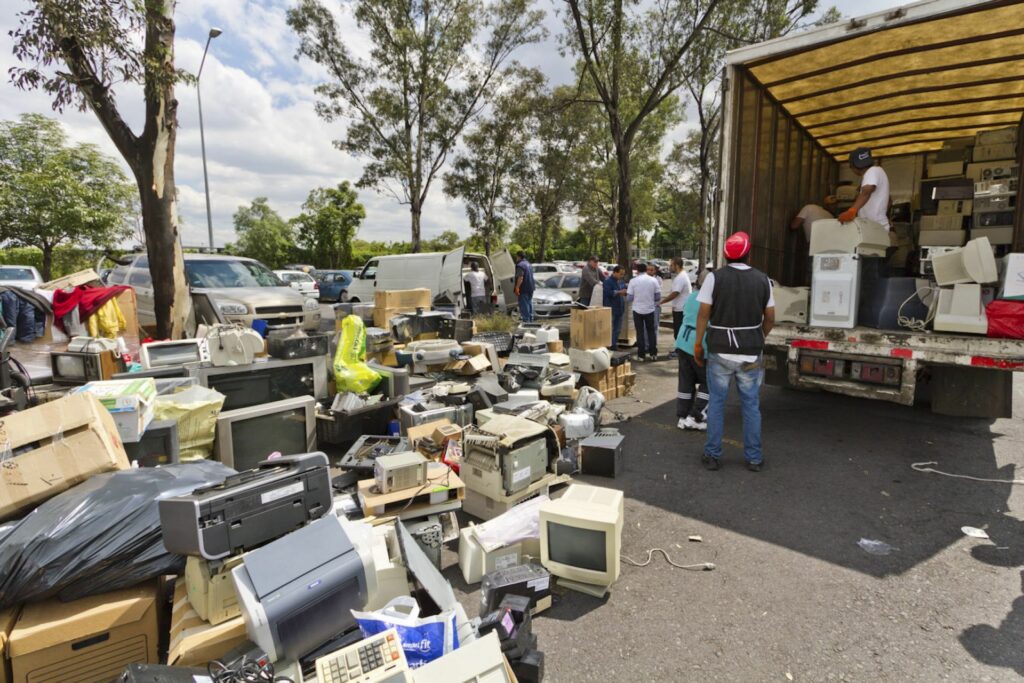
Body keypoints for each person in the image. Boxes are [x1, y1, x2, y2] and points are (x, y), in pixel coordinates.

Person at [694, 231, 775, 472]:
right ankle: (754, 458)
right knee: (751, 405)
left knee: (717, 404)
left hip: (720, 352)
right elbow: (770, 319)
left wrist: (698, 343)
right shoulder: (763, 280)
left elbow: (703, 314)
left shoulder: (714, 278)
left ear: (725, 255)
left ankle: (713, 455)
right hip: (751, 353)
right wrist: (758, 337)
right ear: (748, 254)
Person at [674, 288, 707, 431]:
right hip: (700, 342)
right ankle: (696, 416)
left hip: (683, 340)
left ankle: (683, 416)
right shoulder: (712, 299)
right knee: (709, 381)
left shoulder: (692, 295)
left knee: (686, 380)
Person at [838, 147, 890, 230]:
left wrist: (852, 211)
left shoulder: (872, 171)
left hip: (875, 227)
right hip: (874, 226)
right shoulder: (876, 172)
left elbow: (866, 192)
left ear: (853, 165)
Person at [627, 261, 661, 361]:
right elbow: (657, 296)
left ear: (637, 270)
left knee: (640, 332)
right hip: (650, 309)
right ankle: (653, 354)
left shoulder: (633, 281)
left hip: (637, 310)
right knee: (651, 332)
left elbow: (629, 298)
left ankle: (641, 355)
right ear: (646, 270)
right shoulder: (653, 280)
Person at [660, 256, 692, 359]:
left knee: (679, 332)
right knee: (678, 331)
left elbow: (675, 293)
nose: (670, 267)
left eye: (671, 265)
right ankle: (679, 350)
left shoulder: (681, 277)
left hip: (681, 309)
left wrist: (662, 302)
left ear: (677, 265)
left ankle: (680, 352)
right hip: (680, 308)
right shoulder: (681, 276)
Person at [602, 265, 628, 349]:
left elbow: (625, 289)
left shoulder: (621, 281)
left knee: (617, 329)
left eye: (623, 274)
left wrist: (626, 291)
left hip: (620, 308)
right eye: (620, 274)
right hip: (611, 308)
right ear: (614, 272)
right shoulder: (607, 281)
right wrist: (619, 292)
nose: (622, 276)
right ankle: (610, 345)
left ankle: (614, 345)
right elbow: (607, 293)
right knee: (610, 328)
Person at [514, 251, 536, 323]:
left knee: (524, 306)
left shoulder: (520, 265)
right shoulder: (529, 264)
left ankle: (526, 322)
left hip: (524, 288)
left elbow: (520, 277)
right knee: (529, 304)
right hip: (531, 288)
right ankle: (530, 320)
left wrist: (517, 287)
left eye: (516, 257)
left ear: (519, 257)